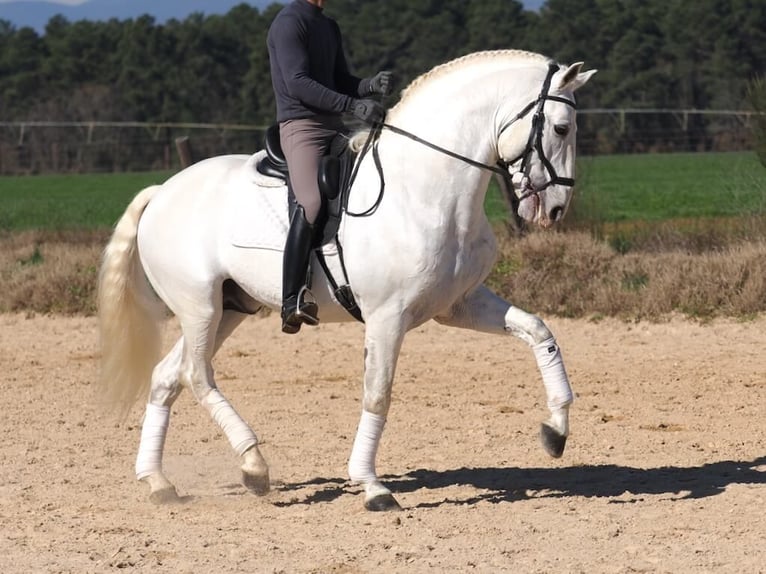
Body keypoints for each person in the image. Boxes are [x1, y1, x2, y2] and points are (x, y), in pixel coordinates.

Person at [267, 0, 392, 335]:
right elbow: (298, 83)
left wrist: (368, 86)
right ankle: (291, 299)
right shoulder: (289, 22)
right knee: (311, 203)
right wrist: (354, 105)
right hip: (301, 127)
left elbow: (337, 78)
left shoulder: (327, 25)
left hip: (334, 125)